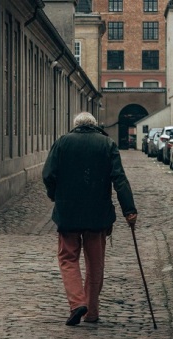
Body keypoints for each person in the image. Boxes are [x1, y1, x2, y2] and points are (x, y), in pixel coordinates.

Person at [42, 112, 138, 326]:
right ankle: (92, 312)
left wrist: (55, 195)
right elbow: (119, 178)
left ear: (76, 126)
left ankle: (77, 304)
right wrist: (129, 210)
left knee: (68, 258)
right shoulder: (107, 144)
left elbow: (48, 174)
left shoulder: (62, 143)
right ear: (94, 126)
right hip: (98, 214)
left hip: (68, 213)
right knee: (95, 264)